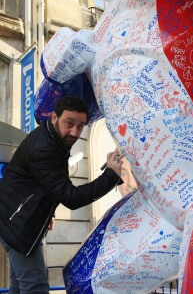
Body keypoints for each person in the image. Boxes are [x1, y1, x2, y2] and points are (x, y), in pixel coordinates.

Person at [0, 95, 123, 294]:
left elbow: (47, 185)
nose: (74, 132)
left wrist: (48, 213)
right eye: (69, 123)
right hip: (17, 226)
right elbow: (71, 198)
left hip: (15, 220)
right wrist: (110, 176)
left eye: (80, 126)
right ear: (54, 117)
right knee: (35, 286)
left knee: (19, 286)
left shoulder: (54, 139)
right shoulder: (45, 148)